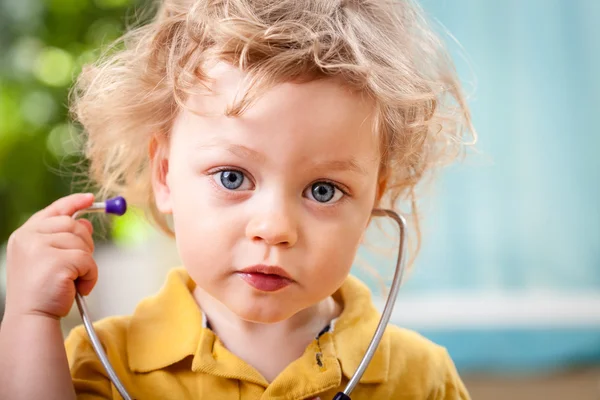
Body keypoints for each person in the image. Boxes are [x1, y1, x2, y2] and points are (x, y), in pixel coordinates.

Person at [0, 0, 476, 398]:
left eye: (323, 190)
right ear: (165, 174)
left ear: (376, 193)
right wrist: (30, 318)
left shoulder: (422, 379)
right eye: (232, 177)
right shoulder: (98, 365)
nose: (274, 228)